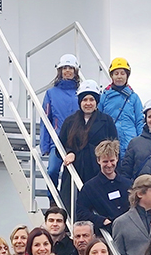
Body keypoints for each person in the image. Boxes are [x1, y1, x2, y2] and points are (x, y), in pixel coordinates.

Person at [58, 79, 119, 212]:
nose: (88, 103)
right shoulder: (70, 122)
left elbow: (114, 146)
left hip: (97, 170)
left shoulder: (106, 120)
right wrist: (70, 152)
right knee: (71, 204)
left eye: (92, 99)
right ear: (80, 101)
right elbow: (60, 146)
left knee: (96, 204)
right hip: (75, 169)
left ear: (97, 102)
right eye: (85, 99)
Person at [41, 54, 81, 193]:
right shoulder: (51, 93)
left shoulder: (81, 93)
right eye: (65, 68)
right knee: (52, 170)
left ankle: (69, 205)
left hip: (77, 141)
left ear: (76, 71)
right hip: (57, 140)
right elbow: (45, 119)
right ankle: (52, 199)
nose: (68, 71)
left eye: (70, 68)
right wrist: (44, 145)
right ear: (60, 70)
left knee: (73, 176)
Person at [77, 139, 132, 236]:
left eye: (112, 160)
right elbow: (81, 212)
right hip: (104, 235)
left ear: (117, 158)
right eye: (105, 161)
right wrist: (101, 220)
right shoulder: (90, 187)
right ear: (98, 160)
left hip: (129, 232)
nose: (109, 165)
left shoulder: (128, 184)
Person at [99, 57, 143, 159]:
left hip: (130, 141)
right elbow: (99, 118)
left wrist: (140, 141)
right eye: (116, 73)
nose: (119, 76)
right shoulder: (104, 96)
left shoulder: (134, 97)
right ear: (112, 76)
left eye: (122, 73)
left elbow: (140, 120)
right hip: (110, 141)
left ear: (127, 76)